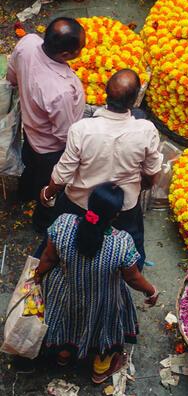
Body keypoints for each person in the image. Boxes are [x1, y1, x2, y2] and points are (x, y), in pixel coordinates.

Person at [33, 182, 159, 382]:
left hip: (66, 293)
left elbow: (48, 258)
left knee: (67, 323)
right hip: (102, 301)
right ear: (116, 215)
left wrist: (38, 273)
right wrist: (151, 291)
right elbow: (133, 277)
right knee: (105, 330)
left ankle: (63, 357)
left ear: (89, 203)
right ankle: (100, 371)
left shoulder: (63, 224)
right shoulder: (122, 243)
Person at [39, 69, 162, 270]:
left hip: (80, 202)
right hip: (122, 206)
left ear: (105, 93)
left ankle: (48, 268)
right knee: (132, 243)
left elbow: (63, 174)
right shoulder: (146, 130)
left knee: (58, 238)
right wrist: (142, 185)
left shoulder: (82, 129)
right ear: (136, 98)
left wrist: (48, 193)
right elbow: (151, 173)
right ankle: (132, 271)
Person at [6, 17, 86, 231]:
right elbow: (64, 134)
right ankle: (43, 222)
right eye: (81, 48)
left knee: (30, 165)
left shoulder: (28, 43)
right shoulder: (59, 91)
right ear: (66, 55)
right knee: (49, 185)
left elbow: (11, 75)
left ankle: (24, 193)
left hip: (31, 131)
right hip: (50, 148)